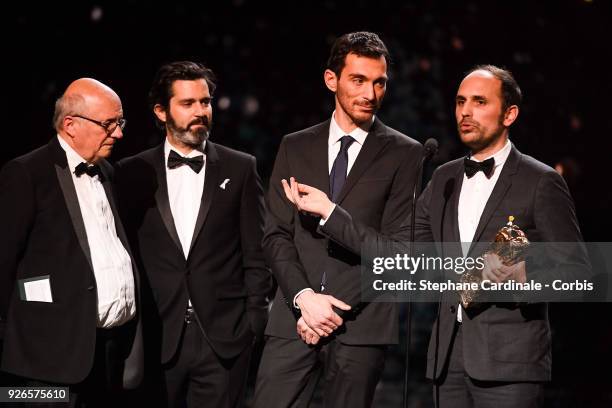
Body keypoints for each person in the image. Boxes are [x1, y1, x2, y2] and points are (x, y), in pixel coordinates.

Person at [282, 65, 590, 408]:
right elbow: (397, 254)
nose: (466, 112)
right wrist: (331, 214)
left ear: (510, 114)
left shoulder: (540, 180)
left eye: (479, 102)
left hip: (510, 365)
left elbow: (575, 271)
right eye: (460, 102)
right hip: (447, 363)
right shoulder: (444, 178)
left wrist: (506, 275)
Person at [253, 32, 423, 407]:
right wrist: (305, 299)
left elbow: (397, 253)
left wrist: (331, 214)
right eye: (358, 80)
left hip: (361, 325)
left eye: (379, 83)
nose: (370, 94)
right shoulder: (294, 146)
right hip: (291, 319)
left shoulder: (406, 154)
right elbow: (276, 236)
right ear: (332, 80)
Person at [114, 61, 272, 408]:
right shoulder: (130, 173)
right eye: (188, 104)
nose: (200, 111)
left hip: (225, 339)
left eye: (205, 101)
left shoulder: (241, 167)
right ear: (161, 111)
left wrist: (254, 322)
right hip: (155, 337)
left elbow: (256, 252)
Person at [0, 78, 143, 406]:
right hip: (48, 360)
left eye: (120, 123)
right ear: (70, 124)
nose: (119, 133)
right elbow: (4, 263)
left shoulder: (109, 173)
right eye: (109, 124)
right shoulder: (26, 173)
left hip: (109, 352)